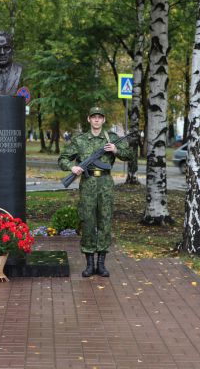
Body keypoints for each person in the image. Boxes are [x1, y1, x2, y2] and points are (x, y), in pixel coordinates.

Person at [58, 107, 133, 278]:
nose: (97, 120)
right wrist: (73, 167)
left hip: (105, 183)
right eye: (94, 117)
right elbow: (62, 159)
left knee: (105, 221)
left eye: (100, 117)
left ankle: (102, 264)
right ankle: (90, 264)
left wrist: (115, 150)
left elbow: (129, 155)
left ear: (104, 120)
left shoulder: (112, 139)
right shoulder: (80, 140)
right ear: (89, 119)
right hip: (88, 183)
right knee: (88, 221)